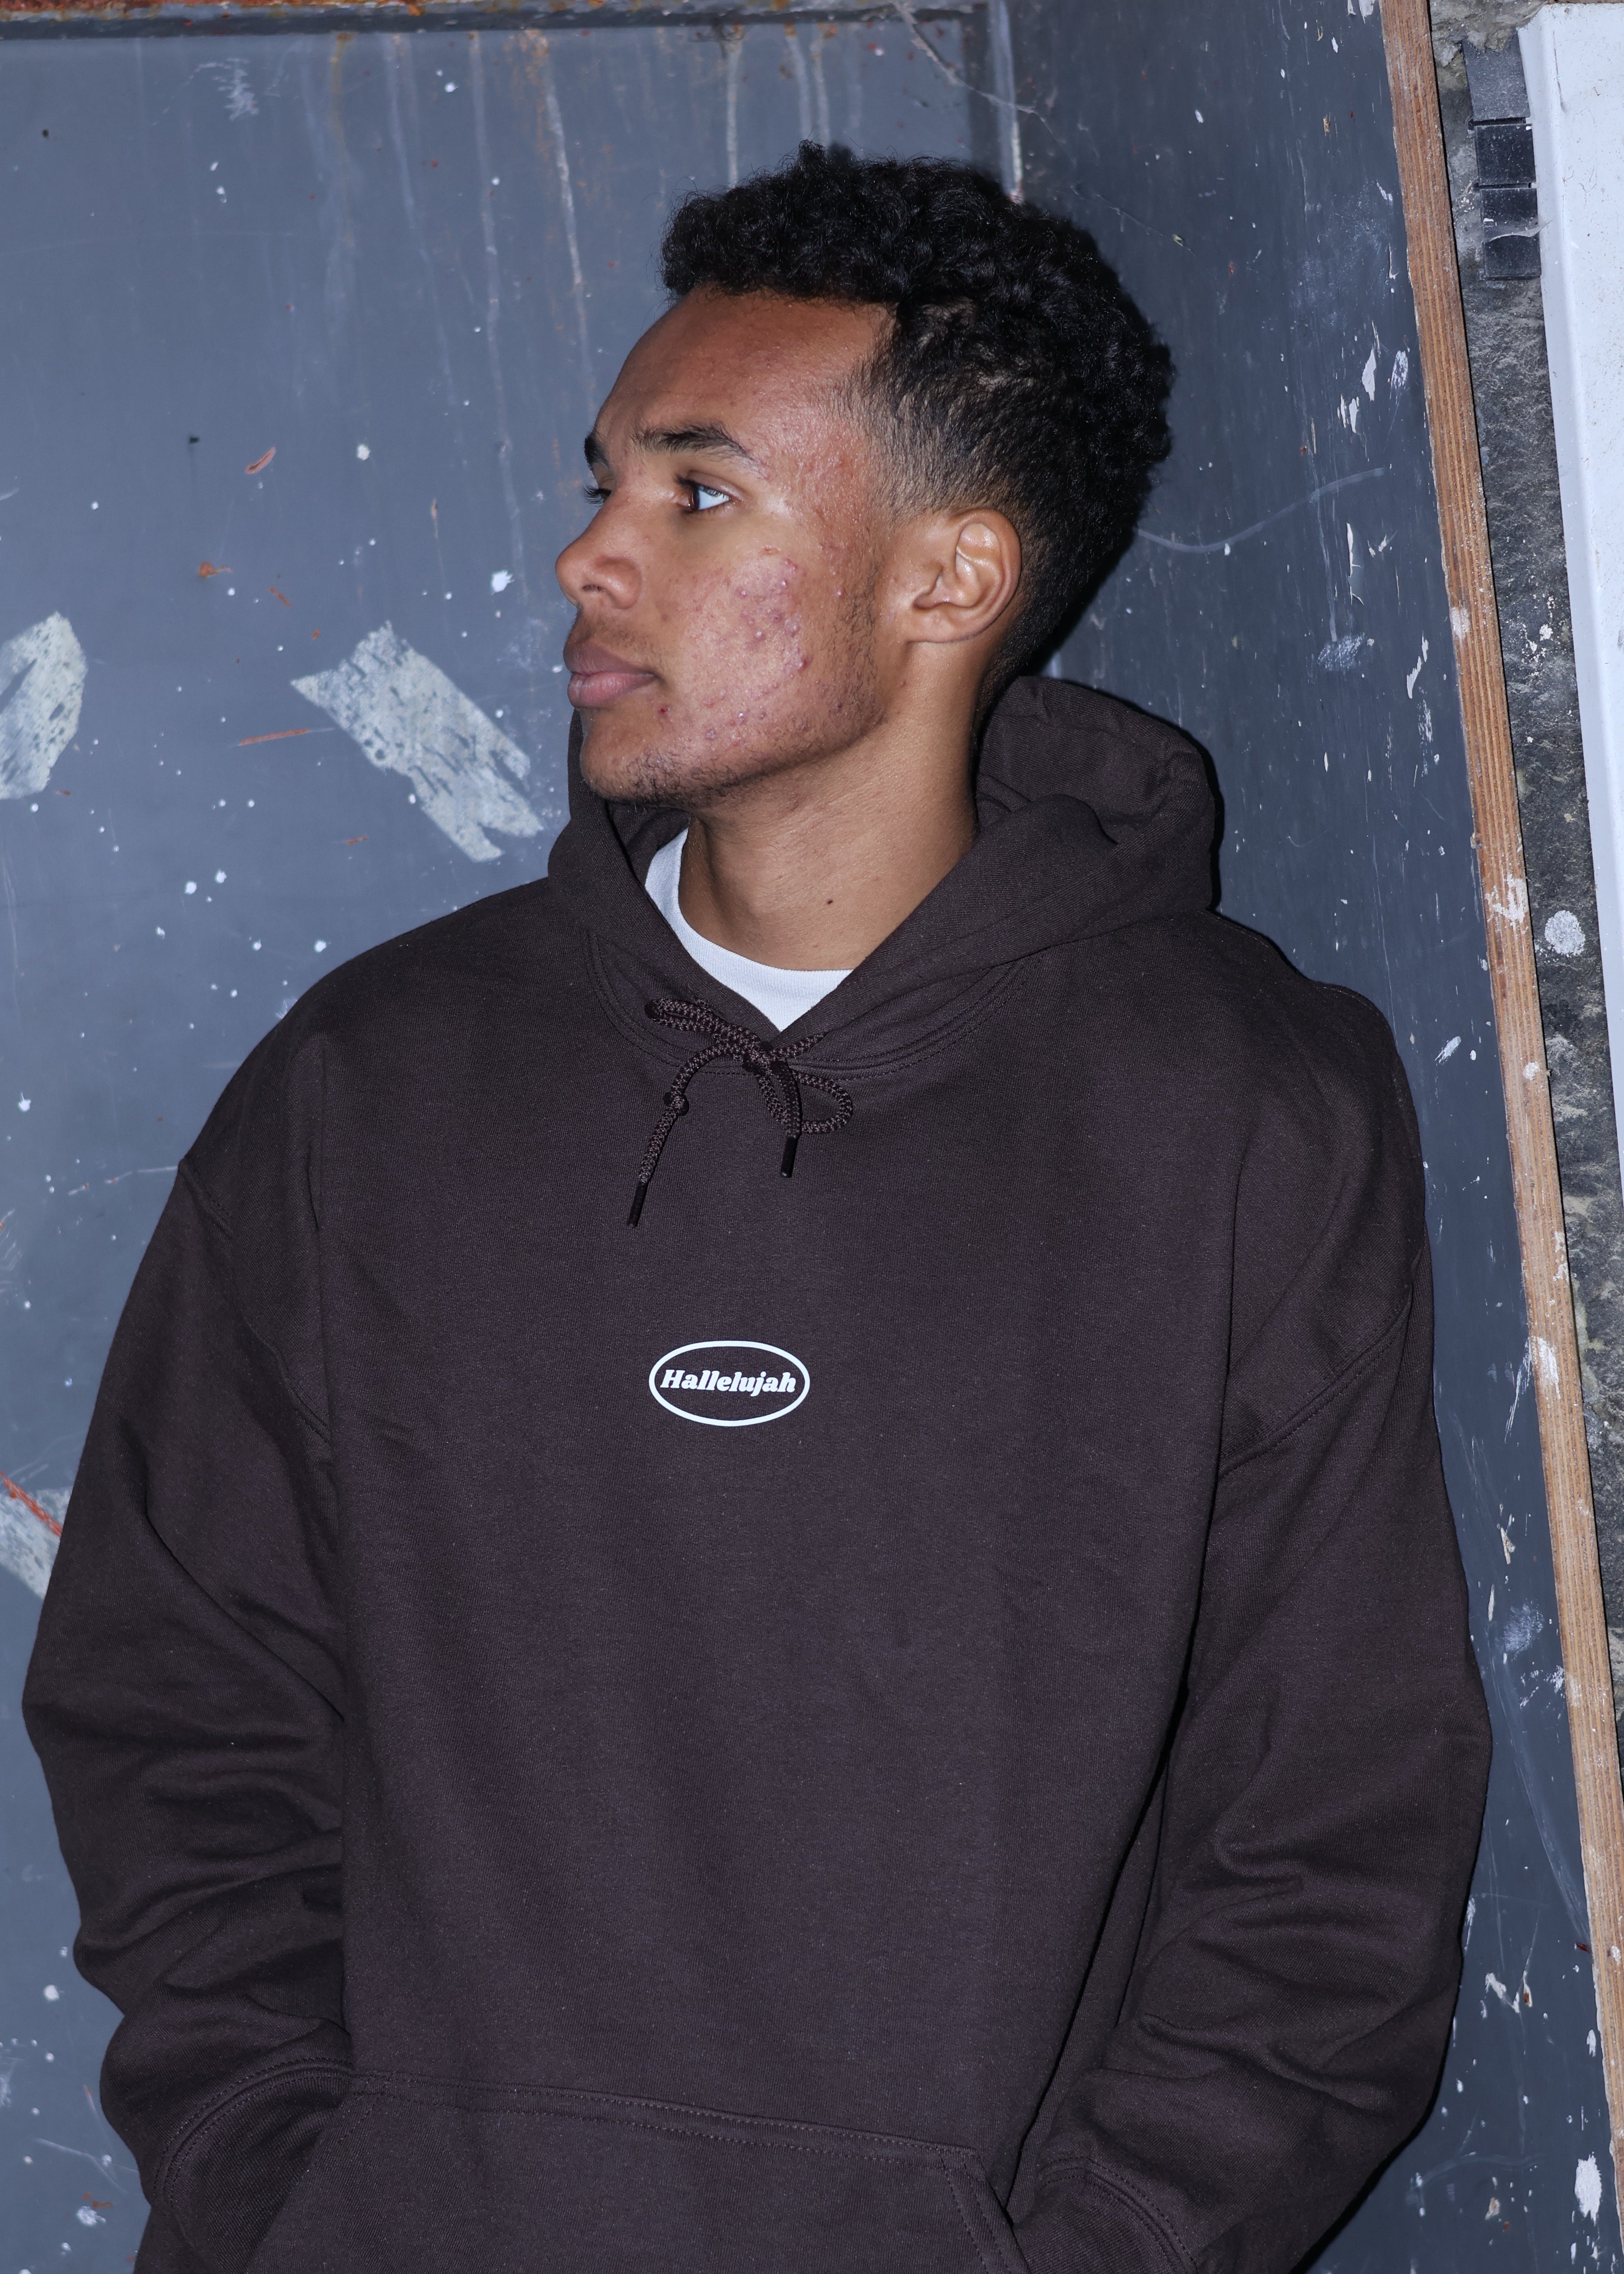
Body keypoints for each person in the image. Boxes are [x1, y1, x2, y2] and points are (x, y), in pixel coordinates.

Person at [25, 145, 1490, 2274]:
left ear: (948, 579)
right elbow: (177, 1702)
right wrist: (296, 2194)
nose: (589, 554)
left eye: (697, 493)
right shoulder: (369, 1082)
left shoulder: (1240, 1108)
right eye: (606, 480)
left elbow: (1334, 1837)